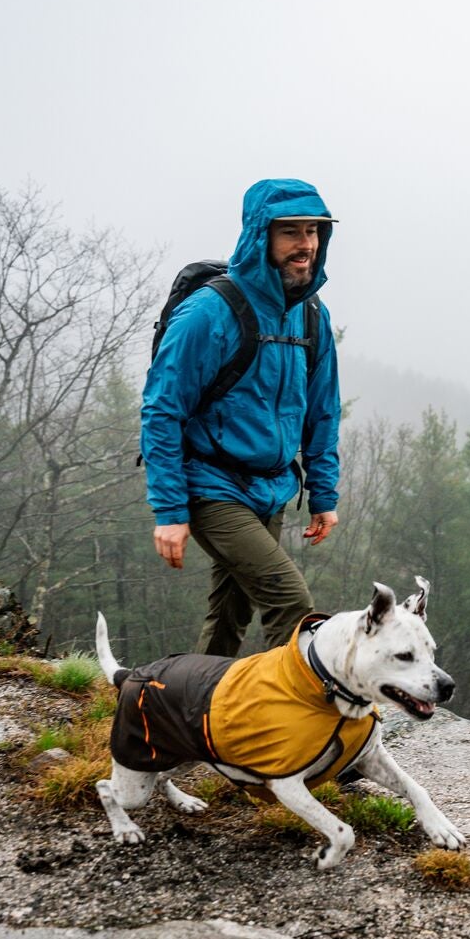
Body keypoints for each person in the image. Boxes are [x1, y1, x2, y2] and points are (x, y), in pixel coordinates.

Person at [140, 177, 341, 656]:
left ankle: (197, 714)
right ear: (260, 234)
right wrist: (169, 511)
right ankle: (294, 721)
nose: (305, 244)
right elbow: (162, 411)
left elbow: (323, 409)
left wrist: (323, 493)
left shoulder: (312, 314)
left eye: (313, 231)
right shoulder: (209, 313)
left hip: (270, 487)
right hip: (210, 486)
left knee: (230, 614)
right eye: (290, 231)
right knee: (292, 603)